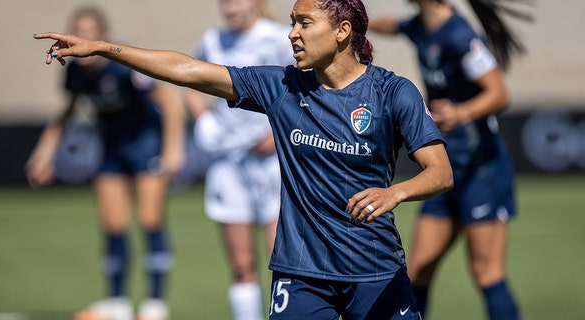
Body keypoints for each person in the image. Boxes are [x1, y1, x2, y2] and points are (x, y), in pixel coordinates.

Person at [34, 0, 453, 318]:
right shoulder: (281, 86)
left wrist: (395, 192)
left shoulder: (394, 92)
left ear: (343, 31)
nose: (292, 33)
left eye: (304, 23)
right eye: (291, 22)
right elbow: (189, 70)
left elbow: (439, 173)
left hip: (375, 267)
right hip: (302, 272)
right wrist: (105, 49)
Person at [368, 0, 531, 319]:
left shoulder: (459, 36)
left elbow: (499, 93)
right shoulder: (419, 26)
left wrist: (460, 112)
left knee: (487, 273)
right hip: (444, 171)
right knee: (417, 272)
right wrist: (356, 21)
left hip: (481, 170)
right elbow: (391, 25)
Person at [26, 6, 185, 320]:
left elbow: (169, 101)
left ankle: (154, 305)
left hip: (146, 146)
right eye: (78, 30)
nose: (83, 37)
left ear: (102, 35)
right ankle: (118, 303)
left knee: (150, 220)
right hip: (112, 149)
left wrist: (173, 149)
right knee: (113, 224)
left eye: (90, 31)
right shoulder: (74, 69)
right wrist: (43, 154)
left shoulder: (123, 65)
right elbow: (66, 112)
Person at [185, 1, 295, 319]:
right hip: (229, 163)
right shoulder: (213, 40)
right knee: (242, 265)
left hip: (273, 164)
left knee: (283, 260)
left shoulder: (279, 38)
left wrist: (279, 134)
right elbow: (190, 80)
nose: (229, 7)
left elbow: (309, 87)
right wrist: (202, 120)